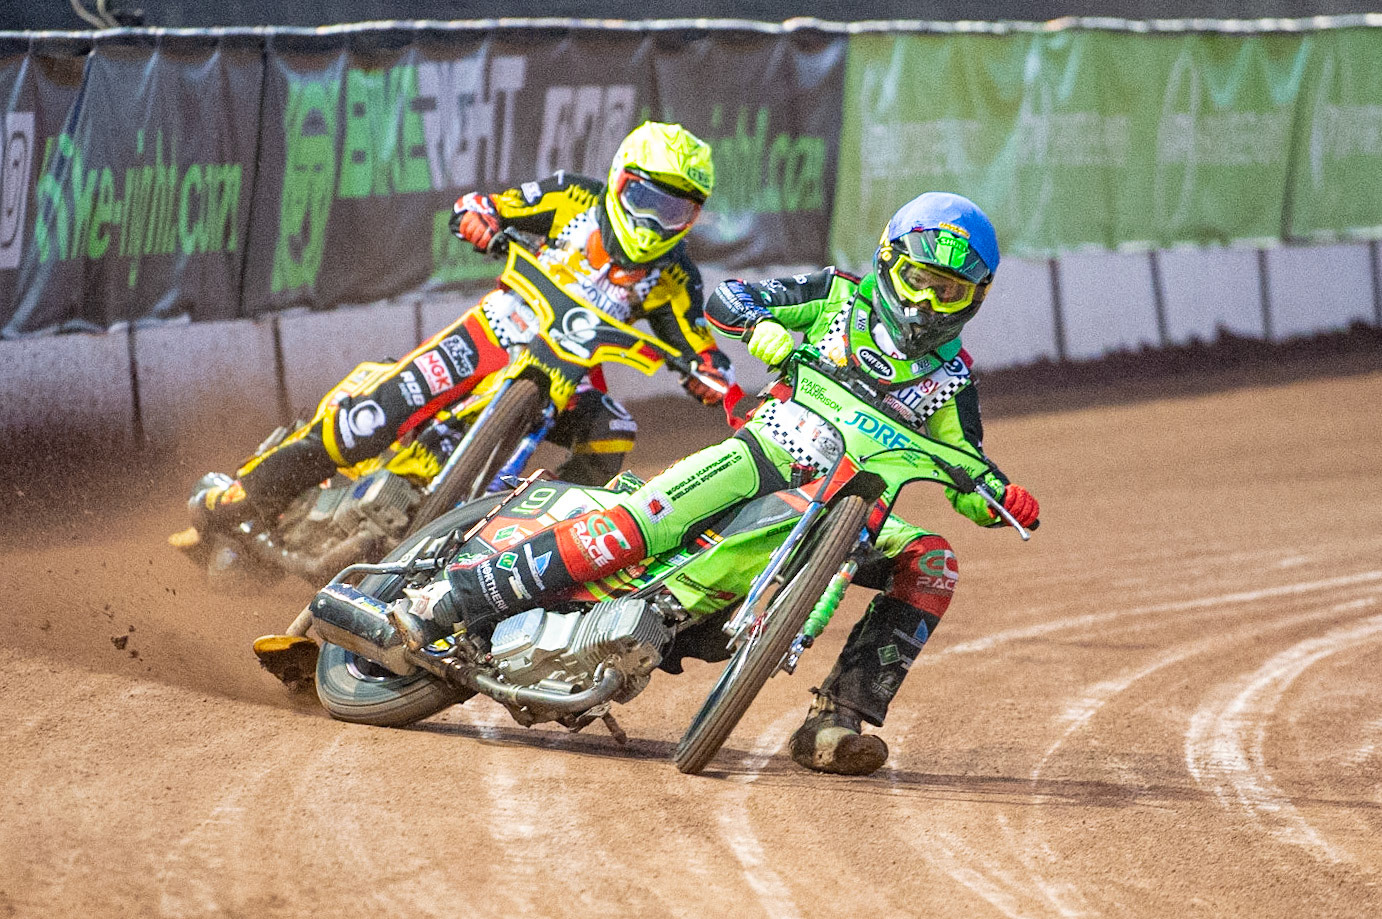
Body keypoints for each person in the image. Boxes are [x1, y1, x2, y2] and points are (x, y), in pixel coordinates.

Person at [397, 191, 1040, 776]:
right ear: (887, 263)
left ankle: (836, 722)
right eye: (918, 281)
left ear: (974, 300)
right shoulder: (838, 298)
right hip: (764, 455)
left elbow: (966, 470)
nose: (927, 303)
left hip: (851, 509)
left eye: (948, 293)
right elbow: (730, 299)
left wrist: (998, 499)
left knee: (932, 562)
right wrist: (762, 327)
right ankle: (448, 602)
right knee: (638, 527)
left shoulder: (953, 382)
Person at [184, 122, 734, 538]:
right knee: (370, 419)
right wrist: (483, 219)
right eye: (646, 200)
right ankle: (243, 494)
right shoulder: (573, 198)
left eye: (674, 211)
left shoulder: (677, 274)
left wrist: (711, 375)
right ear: (619, 182)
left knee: (614, 429)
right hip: (494, 331)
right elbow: (487, 205)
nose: (654, 220)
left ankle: (539, 539)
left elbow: (696, 344)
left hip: (572, 374)